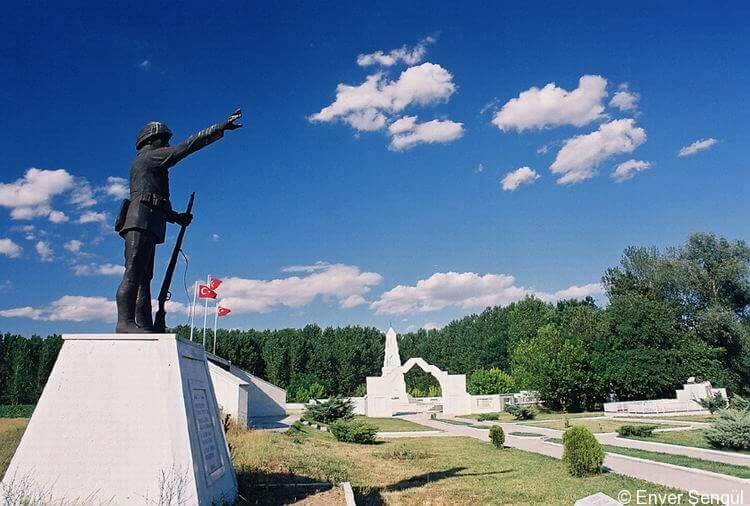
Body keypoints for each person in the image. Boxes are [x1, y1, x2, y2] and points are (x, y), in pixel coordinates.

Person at [114, 109, 242, 333]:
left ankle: (142, 323)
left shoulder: (155, 166)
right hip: (139, 218)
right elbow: (187, 146)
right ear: (150, 141)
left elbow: (159, 199)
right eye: (163, 140)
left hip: (150, 220)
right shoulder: (148, 158)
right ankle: (124, 322)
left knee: (144, 277)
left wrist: (177, 217)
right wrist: (219, 128)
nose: (166, 145)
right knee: (134, 272)